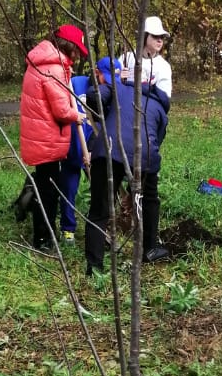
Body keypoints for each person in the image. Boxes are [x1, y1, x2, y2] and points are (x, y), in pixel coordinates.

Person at [85, 56, 170, 274]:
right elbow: (158, 139)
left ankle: (94, 266)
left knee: (100, 208)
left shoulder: (116, 88)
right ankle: (150, 249)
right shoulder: (159, 105)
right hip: (144, 156)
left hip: (108, 150)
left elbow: (94, 97)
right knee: (149, 199)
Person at [19, 24, 88, 251]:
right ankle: (43, 240)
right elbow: (61, 110)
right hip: (47, 138)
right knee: (49, 191)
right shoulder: (54, 68)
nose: (78, 56)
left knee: (44, 185)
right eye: (77, 50)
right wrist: (78, 115)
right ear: (69, 47)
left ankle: (41, 229)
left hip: (39, 135)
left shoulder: (41, 61)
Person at [60, 68, 93, 243]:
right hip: (72, 146)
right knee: (69, 188)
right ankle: (68, 228)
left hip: (93, 149)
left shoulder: (113, 89)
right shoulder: (75, 83)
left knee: (98, 190)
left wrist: (93, 149)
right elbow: (60, 109)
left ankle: (96, 226)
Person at [120, 16, 172, 96]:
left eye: (162, 37)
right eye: (155, 35)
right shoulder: (126, 58)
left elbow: (164, 97)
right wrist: (118, 78)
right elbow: (111, 84)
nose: (160, 40)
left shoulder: (164, 66)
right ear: (144, 36)